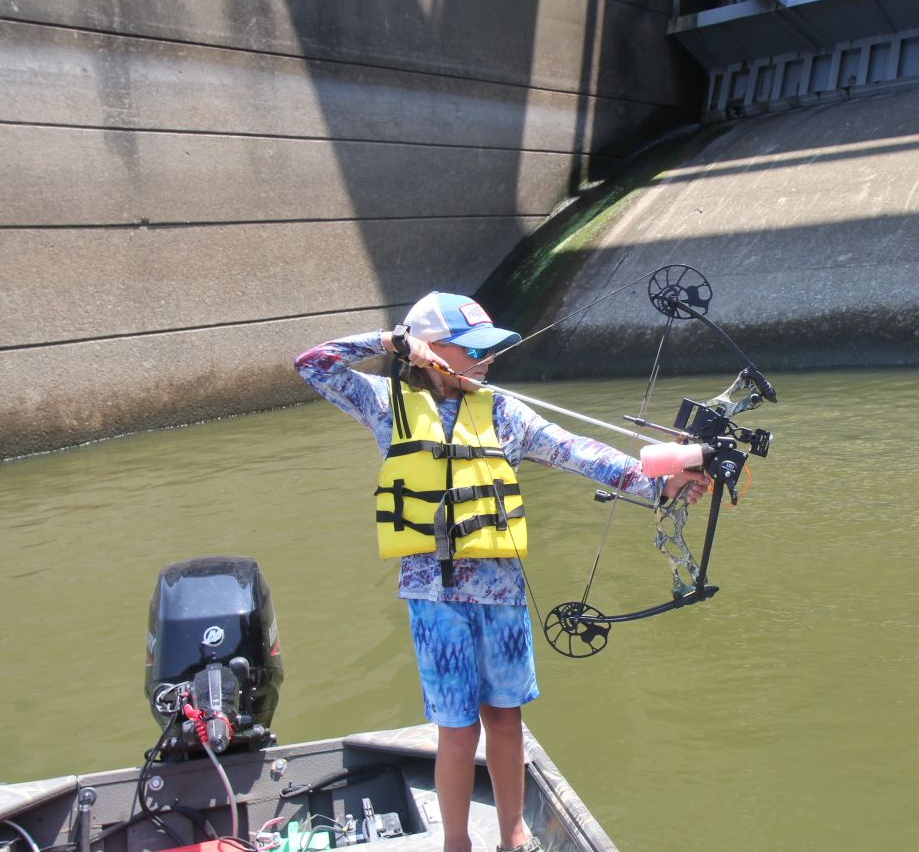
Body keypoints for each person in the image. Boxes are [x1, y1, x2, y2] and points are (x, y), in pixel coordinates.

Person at [294, 291, 709, 852]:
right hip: (434, 598)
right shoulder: (381, 402)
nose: (485, 362)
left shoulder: (506, 413)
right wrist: (389, 342)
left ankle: (513, 836)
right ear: (428, 351)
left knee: (507, 722)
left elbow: (581, 452)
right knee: (458, 731)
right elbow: (311, 365)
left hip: (503, 596)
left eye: (488, 351)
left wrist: (663, 480)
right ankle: (457, 843)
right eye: (471, 351)